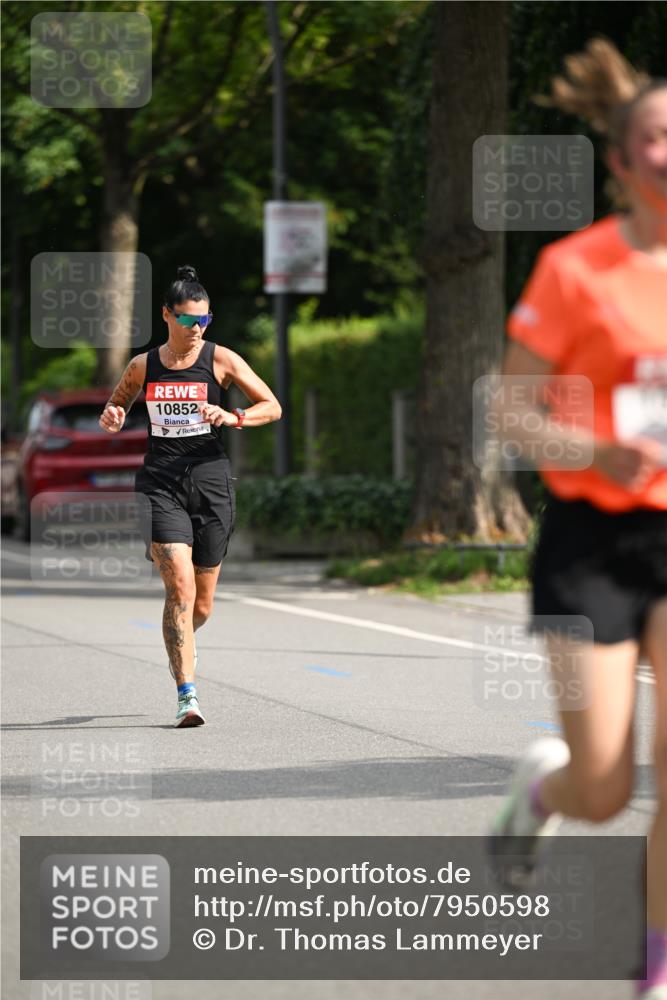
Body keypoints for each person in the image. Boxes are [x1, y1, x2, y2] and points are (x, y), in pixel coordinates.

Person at [487, 40, 667, 999]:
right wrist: (597, 452)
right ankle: (543, 794)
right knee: (604, 789)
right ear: (621, 157)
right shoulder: (575, 269)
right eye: (656, 134)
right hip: (594, 537)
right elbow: (509, 410)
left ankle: (653, 968)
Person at [99, 265, 281, 727]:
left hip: (211, 482)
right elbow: (118, 400)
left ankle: (177, 636)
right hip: (160, 484)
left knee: (200, 605)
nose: (196, 329)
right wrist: (115, 414)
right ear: (167, 316)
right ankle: (187, 694)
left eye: (204, 320)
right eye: (187, 321)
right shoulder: (144, 365)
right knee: (179, 587)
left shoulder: (221, 359)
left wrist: (233, 416)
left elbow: (272, 406)